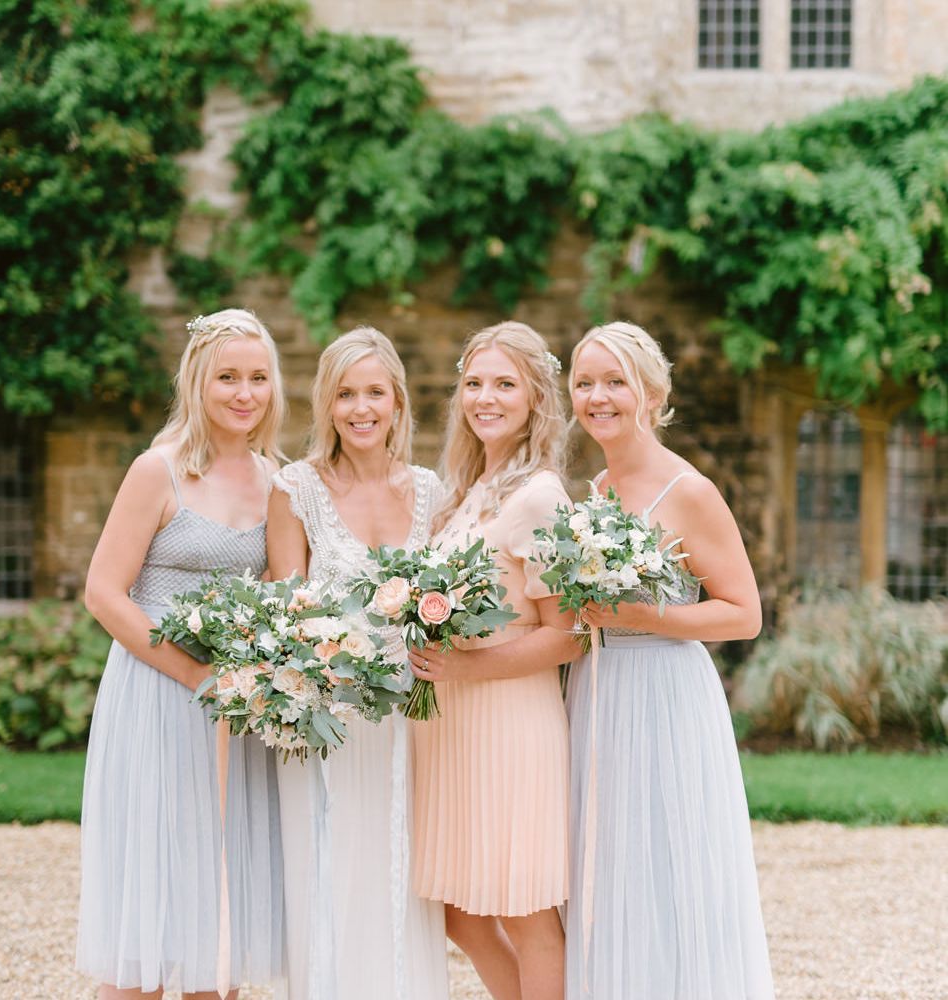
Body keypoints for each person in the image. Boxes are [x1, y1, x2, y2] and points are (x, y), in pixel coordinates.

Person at [76, 308, 286, 999]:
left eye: (258, 378)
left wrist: (261, 676)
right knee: (153, 899)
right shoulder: (156, 470)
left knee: (219, 899)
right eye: (228, 377)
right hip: (157, 694)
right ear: (198, 380)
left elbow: (289, 597)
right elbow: (105, 594)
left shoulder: (275, 483)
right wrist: (198, 675)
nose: (244, 393)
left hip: (237, 706)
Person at [565, 321, 775, 999]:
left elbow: (744, 613)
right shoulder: (595, 491)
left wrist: (647, 617)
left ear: (651, 393)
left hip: (666, 693)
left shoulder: (689, 492)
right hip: (599, 694)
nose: (599, 396)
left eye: (615, 381)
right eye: (584, 382)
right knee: (610, 870)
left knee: (670, 867)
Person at [266, 326, 449, 1000]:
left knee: (401, 877)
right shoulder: (297, 488)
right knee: (331, 869)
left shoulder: (431, 491)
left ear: (398, 402)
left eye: (375, 392)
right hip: (331, 719)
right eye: (346, 393)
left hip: (412, 717)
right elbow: (285, 610)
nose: (361, 408)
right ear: (327, 403)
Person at [408, 321, 578, 1000]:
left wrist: (468, 669)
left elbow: (569, 635)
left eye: (505, 384)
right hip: (451, 728)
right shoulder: (464, 494)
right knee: (457, 908)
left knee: (523, 907)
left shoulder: (541, 497)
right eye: (474, 383)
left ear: (536, 397)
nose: (486, 397)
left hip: (511, 724)